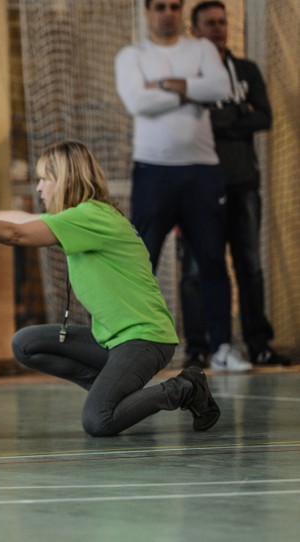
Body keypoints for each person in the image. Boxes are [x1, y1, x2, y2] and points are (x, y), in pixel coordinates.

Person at [0, 141, 220, 437]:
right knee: (26, 343)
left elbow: (17, 233)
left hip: (145, 338)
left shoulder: (92, 215)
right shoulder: (79, 217)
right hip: (111, 340)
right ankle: (112, 392)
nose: (39, 188)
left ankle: (184, 387)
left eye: (45, 179)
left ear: (65, 180)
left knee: (98, 421)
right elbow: (22, 220)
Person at [114, 0, 249, 371]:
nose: (167, 13)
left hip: (203, 171)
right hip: (153, 171)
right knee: (143, 261)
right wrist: (191, 89)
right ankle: (131, 347)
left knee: (211, 261)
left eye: (174, 6)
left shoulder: (202, 48)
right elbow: (137, 101)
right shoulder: (132, 55)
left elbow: (219, 87)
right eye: (159, 6)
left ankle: (221, 347)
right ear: (147, 12)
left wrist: (167, 86)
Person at [180, 1, 286, 367]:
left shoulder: (245, 70)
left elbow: (265, 118)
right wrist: (240, 114)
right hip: (198, 189)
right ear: (194, 30)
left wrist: (223, 116)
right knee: (197, 270)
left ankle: (258, 344)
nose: (217, 28)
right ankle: (198, 348)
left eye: (222, 22)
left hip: (243, 185)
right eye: (209, 23)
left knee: (250, 267)